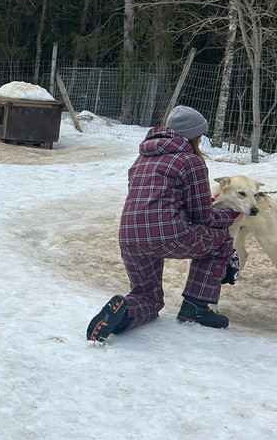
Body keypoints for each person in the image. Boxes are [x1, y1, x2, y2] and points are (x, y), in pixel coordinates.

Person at [87, 105, 241, 342]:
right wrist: (231, 214)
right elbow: (203, 218)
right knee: (221, 241)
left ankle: (124, 311)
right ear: (194, 136)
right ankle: (196, 308)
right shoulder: (191, 161)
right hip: (169, 234)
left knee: (149, 298)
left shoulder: (141, 159)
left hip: (130, 237)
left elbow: (159, 199)